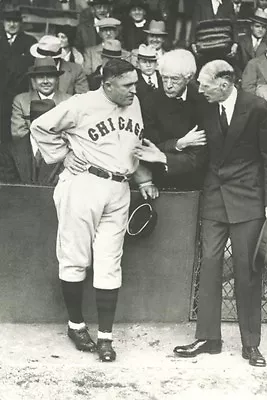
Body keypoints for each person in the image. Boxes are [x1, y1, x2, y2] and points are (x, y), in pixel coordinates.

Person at [30, 59, 158, 362]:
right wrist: (64, 154)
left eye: (135, 84)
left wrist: (144, 178)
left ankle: (106, 337)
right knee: (75, 258)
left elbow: (130, 146)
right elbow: (39, 126)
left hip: (120, 187)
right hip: (84, 183)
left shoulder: (134, 103)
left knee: (109, 262)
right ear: (108, 83)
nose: (133, 90)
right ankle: (76, 325)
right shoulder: (81, 103)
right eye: (127, 85)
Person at [172, 59, 267, 367]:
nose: (200, 90)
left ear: (223, 85)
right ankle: (208, 338)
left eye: (204, 86)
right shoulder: (206, 105)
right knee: (209, 265)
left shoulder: (257, 108)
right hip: (214, 198)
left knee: (247, 270)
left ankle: (250, 343)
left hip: (248, 199)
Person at [135, 49, 207, 190]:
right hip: (160, 179)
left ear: (189, 77)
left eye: (174, 79)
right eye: (164, 78)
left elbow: (201, 153)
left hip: (195, 181)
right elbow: (149, 145)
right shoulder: (150, 101)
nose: (168, 85)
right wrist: (178, 144)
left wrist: (164, 151)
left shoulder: (202, 100)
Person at [8, 57, 71, 185]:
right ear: (34, 80)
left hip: (59, 160)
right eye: (41, 77)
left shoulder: (69, 101)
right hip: (30, 156)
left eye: (50, 77)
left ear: (57, 79)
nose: (46, 81)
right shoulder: (21, 100)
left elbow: (72, 133)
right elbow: (18, 133)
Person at [0, 8, 37, 143]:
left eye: (15, 21)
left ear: (21, 23)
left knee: (16, 135)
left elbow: (32, 69)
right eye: (8, 21)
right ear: (3, 22)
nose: (12, 24)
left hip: (18, 95)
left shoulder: (30, 41)